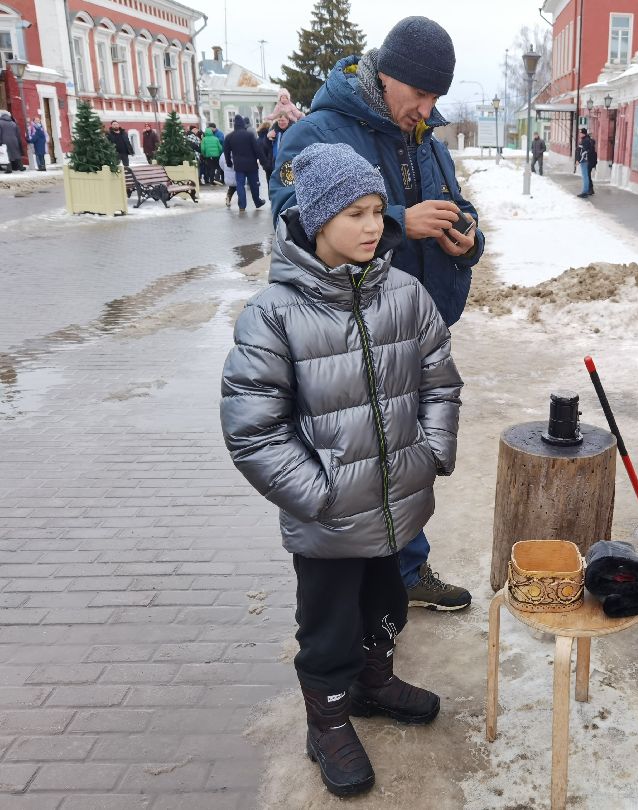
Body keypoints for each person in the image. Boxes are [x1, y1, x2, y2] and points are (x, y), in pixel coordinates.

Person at [221, 141, 461, 797]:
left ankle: (374, 682)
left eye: (378, 210)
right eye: (354, 212)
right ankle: (326, 720)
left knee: (385, 603)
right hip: (326, 519)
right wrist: (318, 494)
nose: (372, 226)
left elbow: (440, 382)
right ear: (317, 218)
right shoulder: (274, 315)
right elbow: (253, 429)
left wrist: (433, 452)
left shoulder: (405, 296)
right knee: (328, 627)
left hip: (394, 506)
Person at [270, 16, 484, 612]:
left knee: (405, 453)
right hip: (347, 331)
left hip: (413, 328)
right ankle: (354, 598)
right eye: (419, 94)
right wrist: (398, 220)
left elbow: (459, 206)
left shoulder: (426, 139)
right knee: (358, 461)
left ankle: (405, 574)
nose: (427, 108)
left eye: (437, 97)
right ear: (385, 77)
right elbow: (293, 216)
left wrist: (468, 236)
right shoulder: (320, 133)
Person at [224, 114, 266, 210]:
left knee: (240, 185)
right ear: (243, 124)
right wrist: (263, 161)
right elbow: (257, 149)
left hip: (238, 165)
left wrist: (229, 162)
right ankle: (257, 202)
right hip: (251, 165)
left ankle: (242, 206)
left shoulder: (229, 137)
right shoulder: (249, 135)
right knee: (254, 184)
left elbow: (226, 151)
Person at [575, 128, 596, 197]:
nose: (580, 134)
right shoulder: (586, 140)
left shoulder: (585, 141)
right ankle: (589, 190)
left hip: (585, 161)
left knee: (585, 176)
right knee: (587, 175)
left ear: (583, 133)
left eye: (581, 133)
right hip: (587, 160)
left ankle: (585, 191)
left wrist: (579, 160)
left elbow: (583, 152)